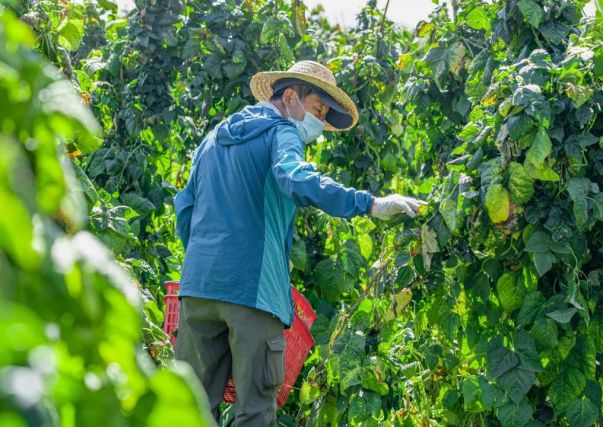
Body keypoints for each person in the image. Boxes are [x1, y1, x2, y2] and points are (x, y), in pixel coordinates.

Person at [173, 60, 426, 426]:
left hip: (197, 291)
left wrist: (205, 263)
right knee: (255, 412)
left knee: (190, 411)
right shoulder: (282, 132)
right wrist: (369, 203)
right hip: (252, 294)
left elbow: (185, 208)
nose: (319, 125)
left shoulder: (213, 139)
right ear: (290, 97)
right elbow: (297, 179)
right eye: (317, 110)